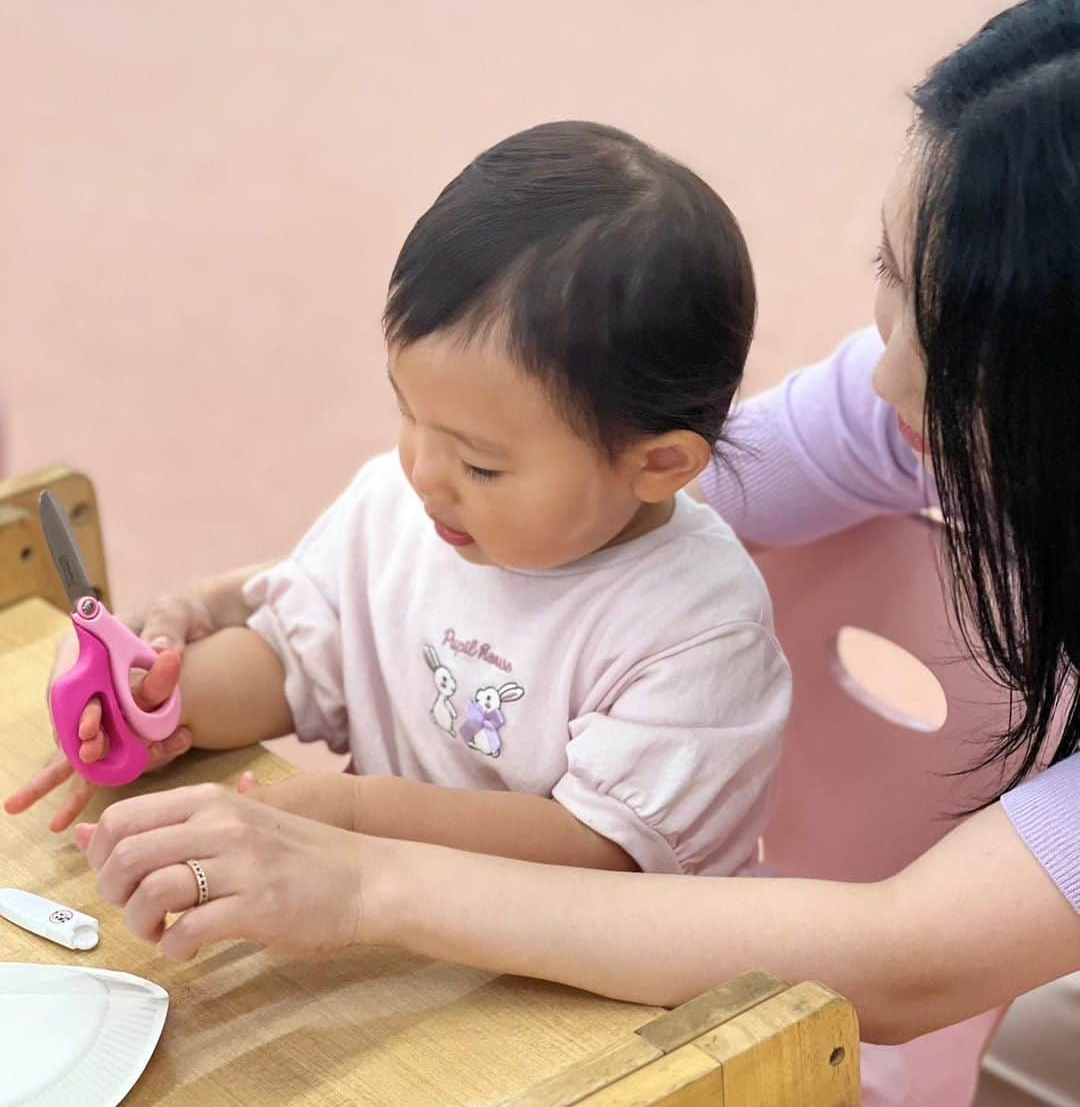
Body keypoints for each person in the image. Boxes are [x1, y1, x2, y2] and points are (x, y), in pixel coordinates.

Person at [30, 0, 1080, 1062]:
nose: (885, 366)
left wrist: (360, 860)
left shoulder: (700, 625)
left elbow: (904, 960)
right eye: (892, 280)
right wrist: (219, 628)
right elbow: (556, 533)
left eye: (952, 340)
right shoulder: (885, 401)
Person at [8, 120, 791, 881]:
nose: (423, 473)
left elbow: (602, 851)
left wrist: (358, 819)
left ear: (657, 464)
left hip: (601, 990)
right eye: (409, 414)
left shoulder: (698, 627)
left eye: (482, 465)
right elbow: (294, 659)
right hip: (398, 944)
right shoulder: (409, 507)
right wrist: (159, 708)